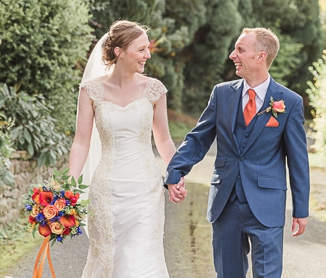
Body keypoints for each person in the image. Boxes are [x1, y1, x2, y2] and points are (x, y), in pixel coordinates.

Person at [165, 27, 310, 278]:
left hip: (267, 205)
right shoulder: (221, 94)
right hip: (226, 203)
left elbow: (298, 161)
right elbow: (198, 139)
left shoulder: (290, 102)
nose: (233, 55)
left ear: (260, 56)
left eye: (240, 49)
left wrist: (301, 208)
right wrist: (175, 171)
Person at [68, 20, 186, 278]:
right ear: (119, 51)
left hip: (145, 190)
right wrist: (70, 185)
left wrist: (176, 175)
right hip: (106, 190)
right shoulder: (91, 91)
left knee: (140, 261)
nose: (148, 55)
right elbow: (81, 141)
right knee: (108, 261)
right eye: (141, 49)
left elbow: (164, 140)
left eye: (148, 49)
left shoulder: (154, 89)